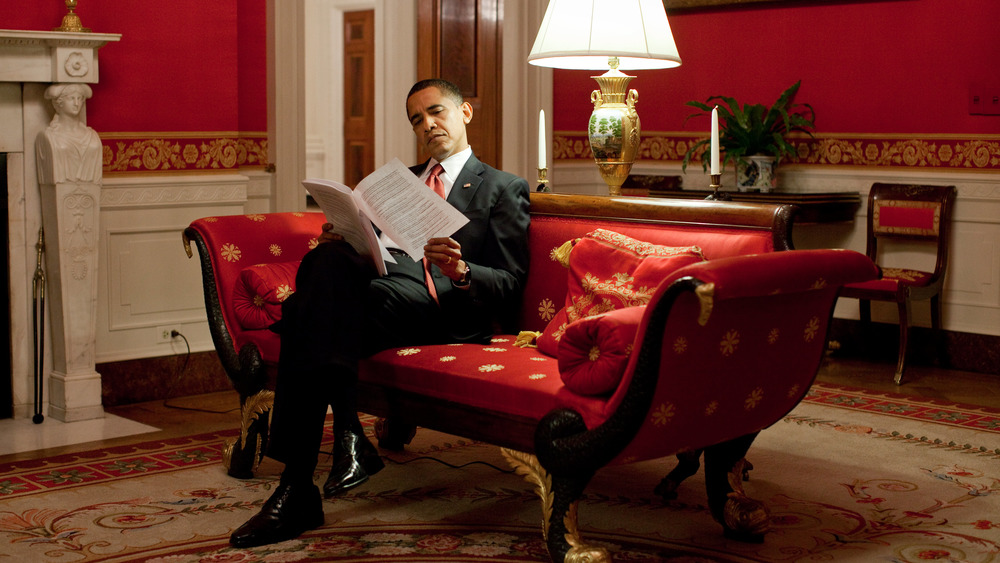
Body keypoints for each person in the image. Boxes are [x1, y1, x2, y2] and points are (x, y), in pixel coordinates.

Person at [230, 78, 531, 548]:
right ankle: (310, 473)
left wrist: (464, 268)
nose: (427, 125)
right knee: (324, 261)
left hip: (442, 307)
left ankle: (322, 460)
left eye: (436, 112)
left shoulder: (501, 188)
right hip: (378, 294)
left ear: (465, 112)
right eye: (416, 119)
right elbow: (371, 254)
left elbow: (511, 285)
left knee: (307, 316)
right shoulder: (397, 184)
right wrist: (345, 234)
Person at [36, 83, 103, 185]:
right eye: (71, 98)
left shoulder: (92, 136)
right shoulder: (49, 137)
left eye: (80, 98)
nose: (76, 103)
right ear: (59, 103)